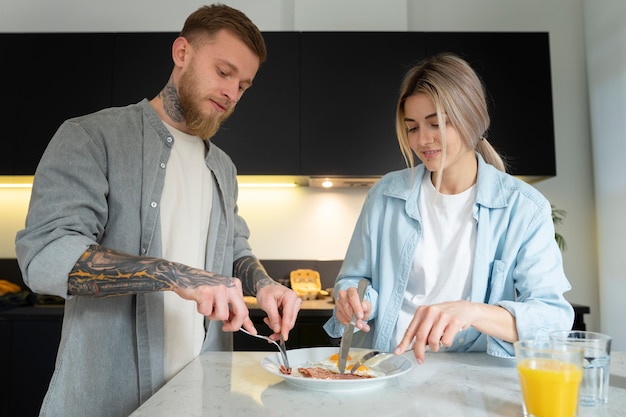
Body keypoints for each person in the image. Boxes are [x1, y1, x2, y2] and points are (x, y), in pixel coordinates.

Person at [15, 4, 301, 417]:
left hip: (202, 394)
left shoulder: (223, 166)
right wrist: (177, 275)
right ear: (182, 52)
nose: (232, 93)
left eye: (243, 85)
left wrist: (265, 284)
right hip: (108, 399)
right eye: (223, 72)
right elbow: (46, 256)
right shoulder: (92, 137)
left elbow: (234, 250)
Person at [323, 53, 574, 365]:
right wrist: (355, 301)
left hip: (476, 377)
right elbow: (355, 280)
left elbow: (553, 319)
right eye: (412, 127)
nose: (423, 140)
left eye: (436, 124)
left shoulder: (524, 208)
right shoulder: (385, 195)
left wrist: (472, 311)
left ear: (472, 119)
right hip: (389, 367)